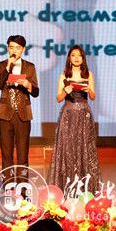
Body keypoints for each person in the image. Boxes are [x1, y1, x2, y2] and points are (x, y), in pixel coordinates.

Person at [46, 45, 101, 194]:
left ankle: (85, 187)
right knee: (68, 149)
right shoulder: (64, 75)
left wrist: (89, 90)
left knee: (84, 148)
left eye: (79, 55)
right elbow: (58, 98)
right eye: (73, 55)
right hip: (68, 115)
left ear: (83, 58)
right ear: (69, 58)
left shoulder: (88, 74)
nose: (76, 58)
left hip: (84, 115)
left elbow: (93, 97)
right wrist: (65, 91)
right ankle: (66, 186)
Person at [0, 35, 39, 182]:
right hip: (5, 113)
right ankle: (7, 185)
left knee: (22, 153)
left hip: (23, 114)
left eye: (18, 48)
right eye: (12, 47)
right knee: (6, 153)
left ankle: (22, 186)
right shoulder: (1, 65)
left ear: (23, 49)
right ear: (8, 48)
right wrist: (8, 67)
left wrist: (28, 85)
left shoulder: (30, 67)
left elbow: (36, 92)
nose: (14, 50)